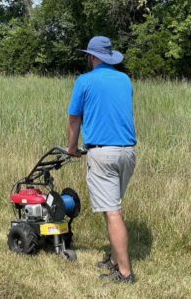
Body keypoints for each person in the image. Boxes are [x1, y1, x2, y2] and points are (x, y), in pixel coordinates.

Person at [66, 36, 137, 284]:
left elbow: (75, 119)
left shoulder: (85, 81)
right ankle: (115, 260)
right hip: (128, 152)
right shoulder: (125, 80)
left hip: (103, 154)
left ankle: (124, 273)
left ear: (93, 57)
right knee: (113, 208)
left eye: (88, 56)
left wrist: (72, 148)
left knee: (113, 212)